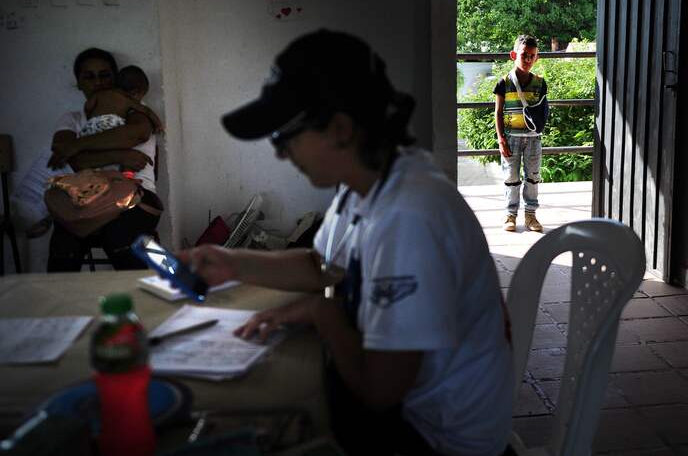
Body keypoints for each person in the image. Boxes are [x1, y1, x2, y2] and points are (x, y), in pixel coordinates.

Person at [182, 29, 513, 456]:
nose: (281, 154)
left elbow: (380, 391)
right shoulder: (371, 180)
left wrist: (322, 310)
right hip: (406, 409)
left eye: (284, 137)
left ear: (340, 129)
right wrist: (231, 262)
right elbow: (323, 266)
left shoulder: (408, 217)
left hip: (437, 437)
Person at [44, 48, 163, 272]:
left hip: (137, 197)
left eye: (104, 75)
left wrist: (77, 145)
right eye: (88, 76)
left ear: (115, 78)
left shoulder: (134, 111)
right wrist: (121, 155)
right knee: (64, 242)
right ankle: (65, 305)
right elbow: (70, 159)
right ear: (78, 83)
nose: (97, 82)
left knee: (120, 236)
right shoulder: (72, 118)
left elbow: (136, 133)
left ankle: (144, 301)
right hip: (86, 197)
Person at [493, 34, 547, 233]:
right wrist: (501, 139)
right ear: (513, 55)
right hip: (511, 138)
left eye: (532, 56)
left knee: (533, 176)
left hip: (533, 139)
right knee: (511, 177)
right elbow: (498, 112)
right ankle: (510, 214)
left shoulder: (541, 83)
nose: (528, 60)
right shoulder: (504, 82)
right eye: (524, 55)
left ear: (537, 58)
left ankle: (531, 215)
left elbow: (543, 111)